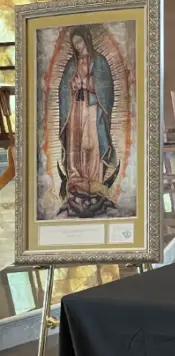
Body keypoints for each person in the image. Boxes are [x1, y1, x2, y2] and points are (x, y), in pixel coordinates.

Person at [57, 26, 119, 219]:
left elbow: (107, 89)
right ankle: (75, 179)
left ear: (87, 40)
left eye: (80, 42)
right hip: (75, 109)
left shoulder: (99, 62)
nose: (78, 46)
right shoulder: (71, 64)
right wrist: (72, 86)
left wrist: (91, 85)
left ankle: (94, 180)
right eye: (74, 43)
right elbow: (63, 90)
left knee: (92, 142)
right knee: (75, 142)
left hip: (93, 108)